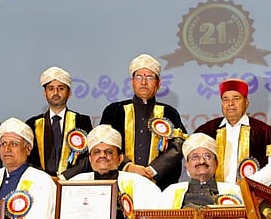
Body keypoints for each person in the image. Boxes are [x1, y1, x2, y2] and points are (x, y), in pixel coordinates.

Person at [71, 53, 186, 190]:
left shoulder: (169, 113)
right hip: (119, 183)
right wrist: (127, 166)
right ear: (132, 82)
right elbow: (101, 144)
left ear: (158, 83)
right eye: (139, 77)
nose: (144, 82)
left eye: (149, 77)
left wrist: (153, 170)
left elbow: (178, 146)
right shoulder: (114, 110)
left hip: (159, 184)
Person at [193, 78, 271, 186]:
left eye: (236, 98)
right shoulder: (207, 130)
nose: (230, 103)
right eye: (225, 99)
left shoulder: (263, 131)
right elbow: (192, 162)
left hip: (252, 196)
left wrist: (249, 184)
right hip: (213, 196)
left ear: (246, 102)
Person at [25, 66, 93, 176]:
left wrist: (66, 177)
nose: (55, 93)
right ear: (45, 93)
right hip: (41, 184)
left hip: (72, 182)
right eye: (51, 88)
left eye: (61, 88)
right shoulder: (32, 124)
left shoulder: (82, 121)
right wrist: (44, 179)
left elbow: (87, 157)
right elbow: (27, 158)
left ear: (69, 93)